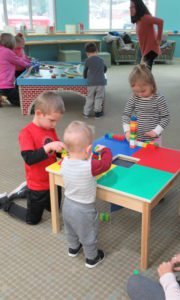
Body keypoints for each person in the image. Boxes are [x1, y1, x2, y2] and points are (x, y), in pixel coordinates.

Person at [0, 91, 65, 225]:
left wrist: (64, 151)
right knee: (33, 219)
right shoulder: (26, 133)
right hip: (38, 183)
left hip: (52, 179)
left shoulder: (50, 128)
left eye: (56, 121)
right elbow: (29, 158)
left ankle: (25, 191)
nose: (54, 125)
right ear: (39, 114)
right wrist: (48, 147)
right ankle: (5, 203)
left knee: (54, 210)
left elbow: (55, 151)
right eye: (52, 120)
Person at [61, 121, 112, 268]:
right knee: (88, 233)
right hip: (84, 209)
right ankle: (91, 258)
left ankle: (73, 248)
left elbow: (72, 160)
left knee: (70, 229)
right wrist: (105, 151)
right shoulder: (91, 166)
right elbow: (106, 163)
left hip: (67, 205)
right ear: (89, 149)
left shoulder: (64, 161)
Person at [122, 64, 170, 143]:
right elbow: (126, 114)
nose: (140, 94)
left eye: (143, 91)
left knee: (154, 155)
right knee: (136, 155)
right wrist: (127, 131)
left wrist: (156, 131)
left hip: (153, 139)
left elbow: (165, 117)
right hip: (136, 138)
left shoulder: (159, 99)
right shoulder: (134, 98)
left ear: (152, 85)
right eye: (136, 91)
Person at [130, 0, 164, 70]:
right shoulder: (138, 20)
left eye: (133, 7)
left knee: (145, 71)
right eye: (130, 7)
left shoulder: (145, 17)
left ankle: (147, 81)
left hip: (151, 49)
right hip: (144, 49)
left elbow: (160, 22)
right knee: (142, 70)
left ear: (138, 7)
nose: (131, 9)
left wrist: (159, 39)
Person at [0, 33, 31, 106]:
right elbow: (19, 61)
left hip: (2, 84)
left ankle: (2, 96)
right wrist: (29, 65)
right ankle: (3, 97)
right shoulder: (7, 52)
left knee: (14, 95)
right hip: (6, 85)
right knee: (25, 102)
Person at [83, 42, 107, 119]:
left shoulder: (87, 60)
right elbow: (105, 69)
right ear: (96, 51)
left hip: (91, 82)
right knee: (99, 97)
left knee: (90, 97)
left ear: (87, 53)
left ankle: (86, 113)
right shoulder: (101, 60)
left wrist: (85, 77)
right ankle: (97, 113)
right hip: (101, 82)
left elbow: (85, 71)